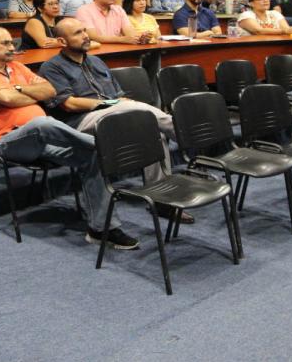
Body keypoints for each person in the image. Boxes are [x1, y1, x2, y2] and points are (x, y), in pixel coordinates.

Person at [0, 26, 140, 249]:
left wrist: (18, 88)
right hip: (8, 142)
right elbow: (8, 99)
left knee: (91, 155)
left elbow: (50, 92)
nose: (12, 47)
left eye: (11, 43)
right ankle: (104, 145)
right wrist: (27, 93)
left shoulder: (17, 67)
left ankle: (102, 228)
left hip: (44, 141)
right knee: (42, 123)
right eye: (6, 43)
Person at [39, 18, 192, 223]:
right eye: (77, 33)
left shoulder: (96, 61)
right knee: (140, 112)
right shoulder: (52, 67)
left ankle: (162, 200)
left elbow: (120, 96)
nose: (85, 35)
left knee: (155, 134)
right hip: (81, 123)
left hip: (114, 114)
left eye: (85, 30)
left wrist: (119, 104)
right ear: (62, 41)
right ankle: (187, 136)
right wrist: (109, 104)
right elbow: (69, 104)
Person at [75, 0, 147, 45]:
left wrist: (140, 38)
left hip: (118, 51)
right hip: (95, 53)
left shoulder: (119, 10)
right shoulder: (84, 10)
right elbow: (93, 37)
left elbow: (130, 33)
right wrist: (121, 39)